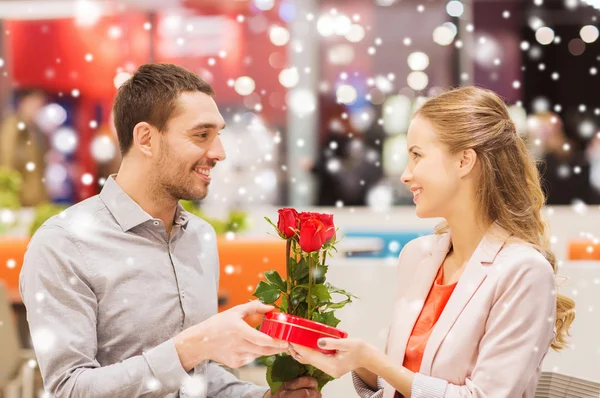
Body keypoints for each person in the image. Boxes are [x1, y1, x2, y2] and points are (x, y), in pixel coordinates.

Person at [20, 64, 321, 398]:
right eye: (201, 135)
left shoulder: (200, 237)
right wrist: (190, 346)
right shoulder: (64, 244)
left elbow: (199, 379)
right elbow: (69, 390)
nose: (219, 153)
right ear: (146, 139)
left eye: (218, 134)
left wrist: (262, 397)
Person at [288, 87, 576, 398]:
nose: (405, 175)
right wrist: (354, 361)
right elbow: (402, 383)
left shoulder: (523, 271)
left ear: (464, 161)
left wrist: (375, 361)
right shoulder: (418, 256)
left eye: (416, 156)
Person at [0, 88, 49, 206]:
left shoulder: (36, 130)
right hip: (19, 199)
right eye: (35, 104)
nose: (37, 109)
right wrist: (10, 194)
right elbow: (6, 161)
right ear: (23, 103)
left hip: (35, 199)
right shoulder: (12, 126)